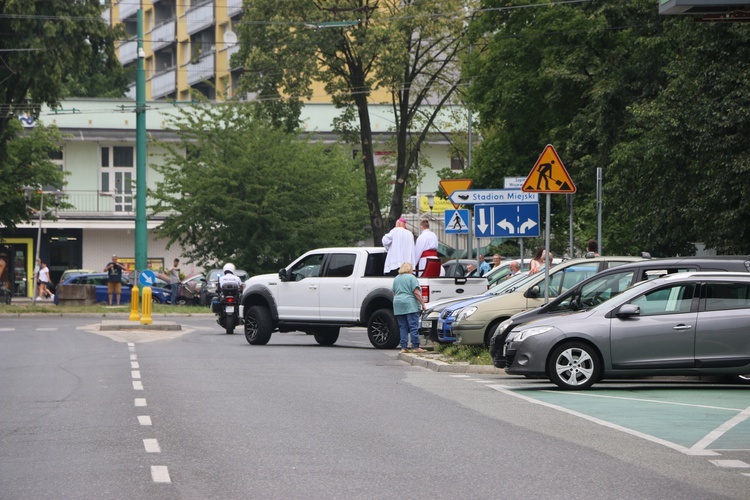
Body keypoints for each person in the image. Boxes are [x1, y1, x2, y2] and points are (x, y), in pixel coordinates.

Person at [391, 262, 426, 353]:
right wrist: (423, 304)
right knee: (413, 326)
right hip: (410, 304)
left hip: (398, 304)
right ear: (410, 269)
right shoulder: (412, 277)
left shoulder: (396, 278)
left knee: (403, 327)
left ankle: (404, 347)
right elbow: (416, 292)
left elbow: (394, 293)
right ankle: (416, 347)